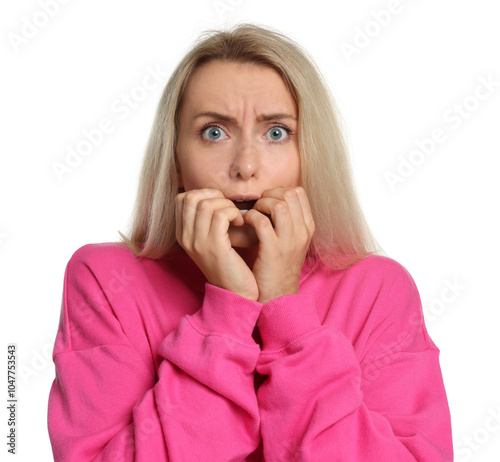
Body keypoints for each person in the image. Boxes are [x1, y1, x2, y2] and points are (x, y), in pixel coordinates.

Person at [47, 23, 453, 461]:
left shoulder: (378, 290)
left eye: (276, 132)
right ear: (176, 161)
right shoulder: (105, 280)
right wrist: (228, 309)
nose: (244, 166)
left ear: (310, 157)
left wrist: (286, 309)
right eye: (213, 132)